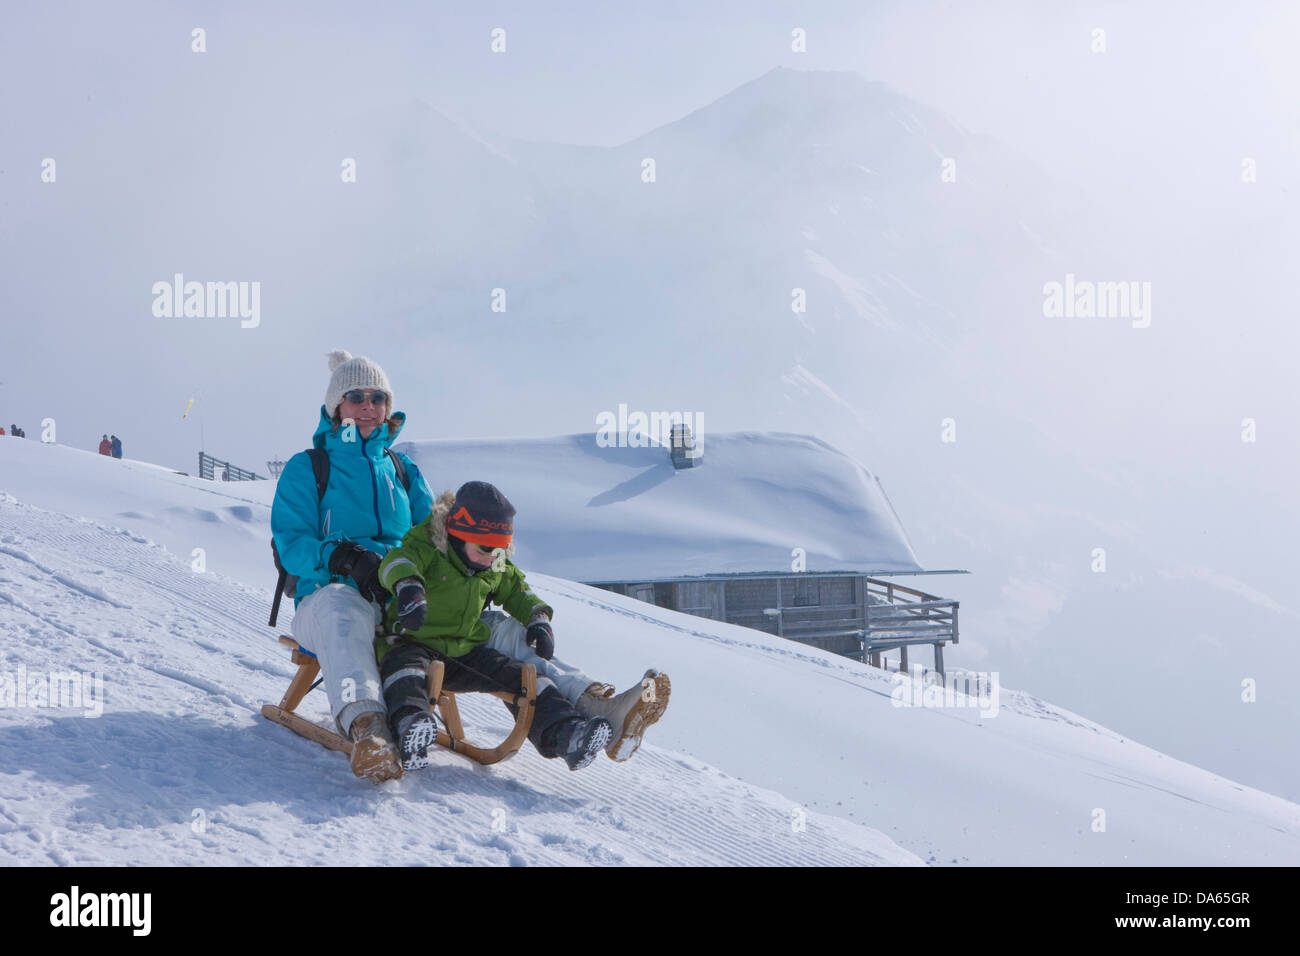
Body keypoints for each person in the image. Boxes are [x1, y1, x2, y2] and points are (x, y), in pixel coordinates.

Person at [375, 481, 618, 772]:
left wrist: (538, 619)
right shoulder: (426, 547)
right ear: (457, 535)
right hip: (410, 642)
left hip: (463, 650)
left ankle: (568, 734)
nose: (492, 557)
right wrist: (409, 587)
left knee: (526, 678)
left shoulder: (493, 562)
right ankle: (410, 727)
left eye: (500, 551)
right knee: (406, 673)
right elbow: (396, 562)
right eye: (486, 548)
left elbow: (517, 589)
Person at [272, 351, 434, 783]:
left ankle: (575, 708)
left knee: (476, 617)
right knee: (343, 610)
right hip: (327, 600)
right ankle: (369, 729)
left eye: (378, 397)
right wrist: (340, 556)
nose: (368, 406)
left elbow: (435, 535)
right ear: (335, 407)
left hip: (395, 594)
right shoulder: (309, 468)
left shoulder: (402, 469)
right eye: (356, 396)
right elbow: (292, 544)